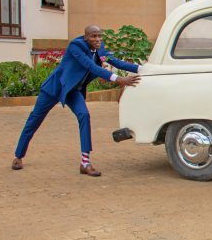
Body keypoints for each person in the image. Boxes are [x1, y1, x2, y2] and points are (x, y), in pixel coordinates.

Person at [11, 25, 141, 176]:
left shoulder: (100, 48)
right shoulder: (76, 46)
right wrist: (119, 79)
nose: (98, 39)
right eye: (93, 36)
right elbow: (91, 66)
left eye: (99, 36)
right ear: (86, 37)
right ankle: (18, 156)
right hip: (55, 88)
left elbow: (115, 61)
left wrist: (143, 69)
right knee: (34, 120)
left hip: (73, 90)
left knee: (84, 115)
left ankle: (85, 163)